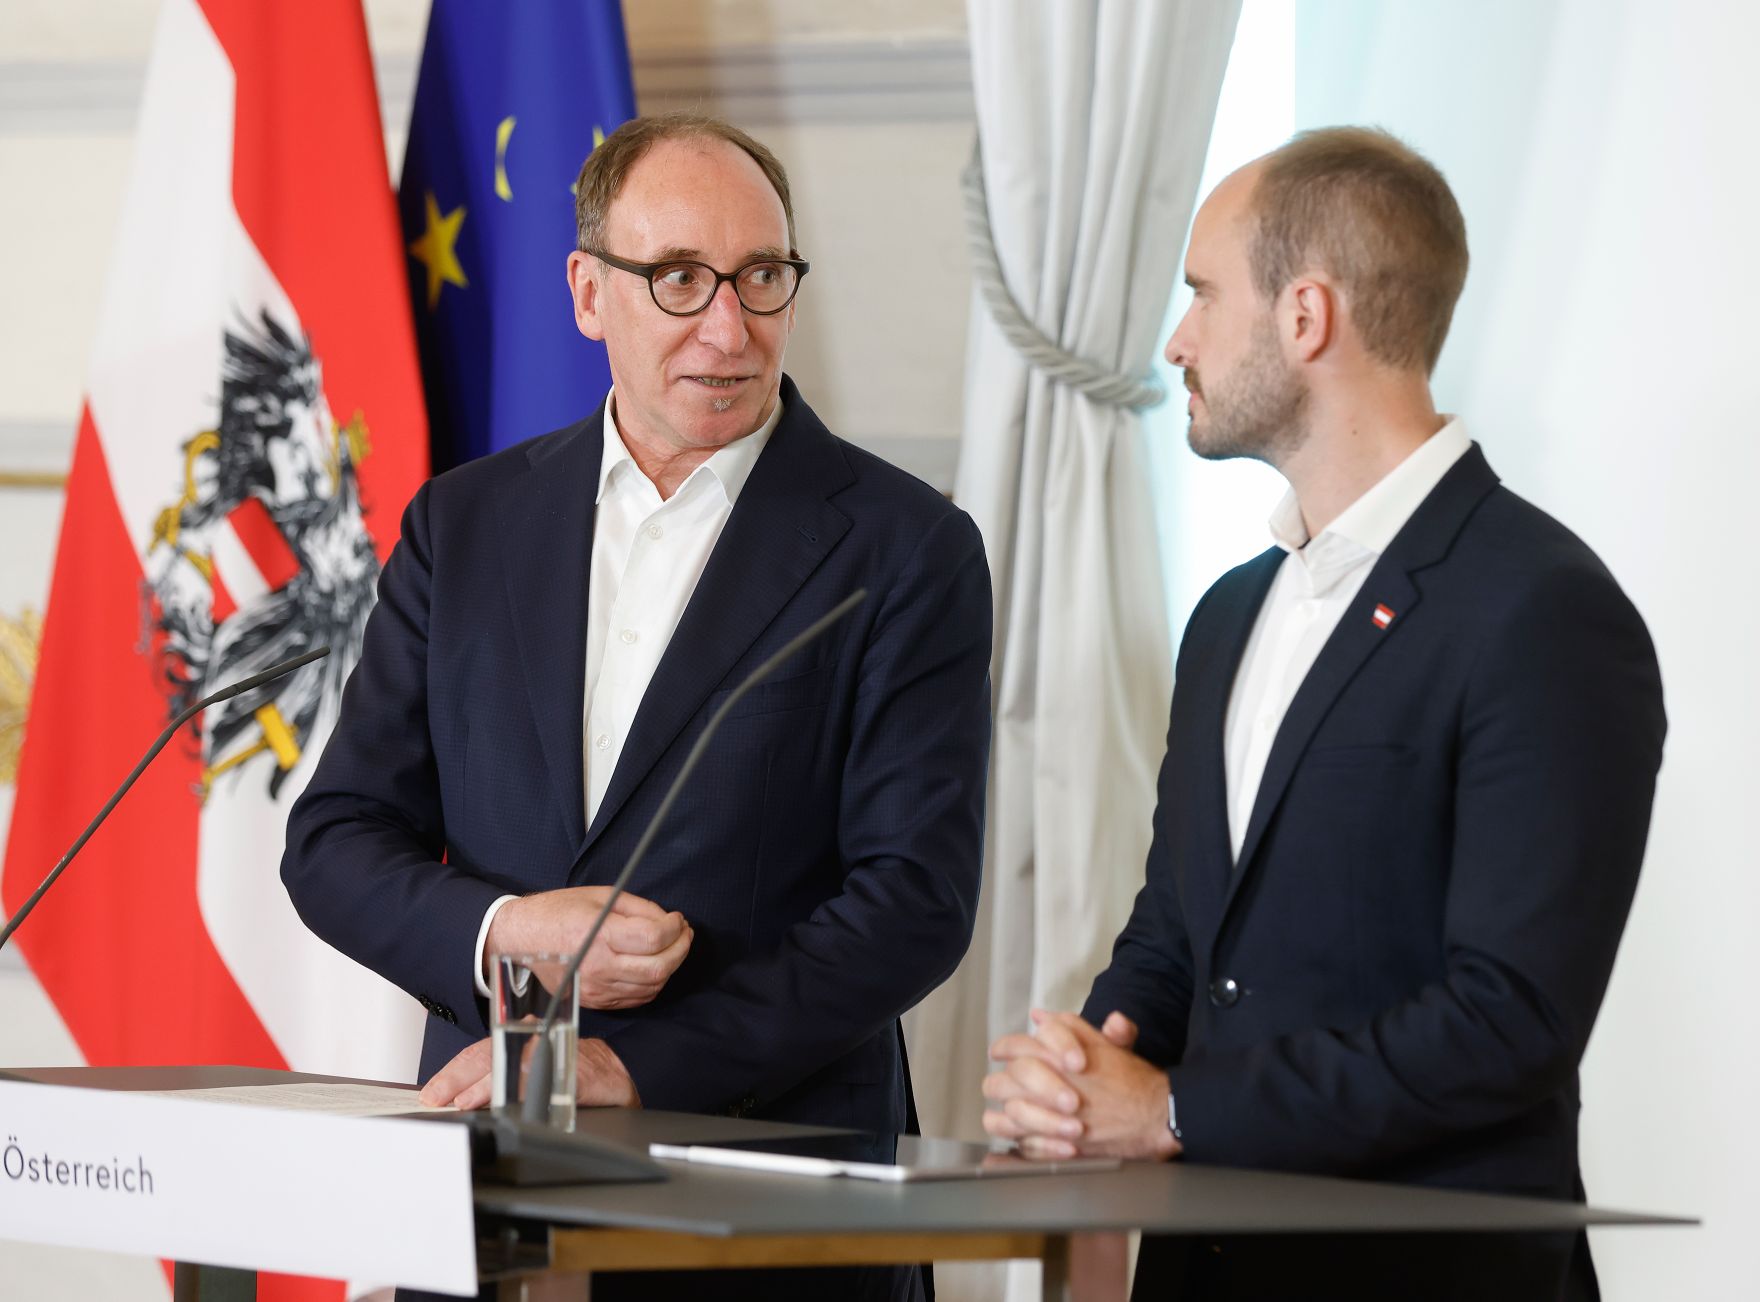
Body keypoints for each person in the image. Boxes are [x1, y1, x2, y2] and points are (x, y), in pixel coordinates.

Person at [282, 113, 991, 1301]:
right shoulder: (463, 526)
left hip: (766, 1213)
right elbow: (337, 842)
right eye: (677, 280)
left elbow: (911, 904)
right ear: (586, 292)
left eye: (761, 277)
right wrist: (502, 932)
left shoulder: (904, 546)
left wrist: (626, 1063)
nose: (729, 326)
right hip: (482, 1197)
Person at [981, 127, 1665, 1301]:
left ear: (1305, 318)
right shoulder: (1227, 614)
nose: (1174, 340)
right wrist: (1089, 1063)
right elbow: (1177, 936)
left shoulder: (1542, 610)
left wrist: (1170, 1108)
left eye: (1199, 294)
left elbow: (1509, 1021)